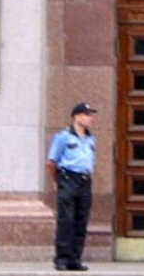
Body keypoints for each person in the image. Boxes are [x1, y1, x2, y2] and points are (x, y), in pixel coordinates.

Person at [47, 102, 98, 272]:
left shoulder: (91, 138)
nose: (91, 118)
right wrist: (58, 181)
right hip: (68, 178)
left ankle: (75, 259)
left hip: (84, 180)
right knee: (66, 220)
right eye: (87, 115)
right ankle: (62, 258)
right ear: (77, 117)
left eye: (91, 115)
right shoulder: (64, 137)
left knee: (81, 220)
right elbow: (51, 162)